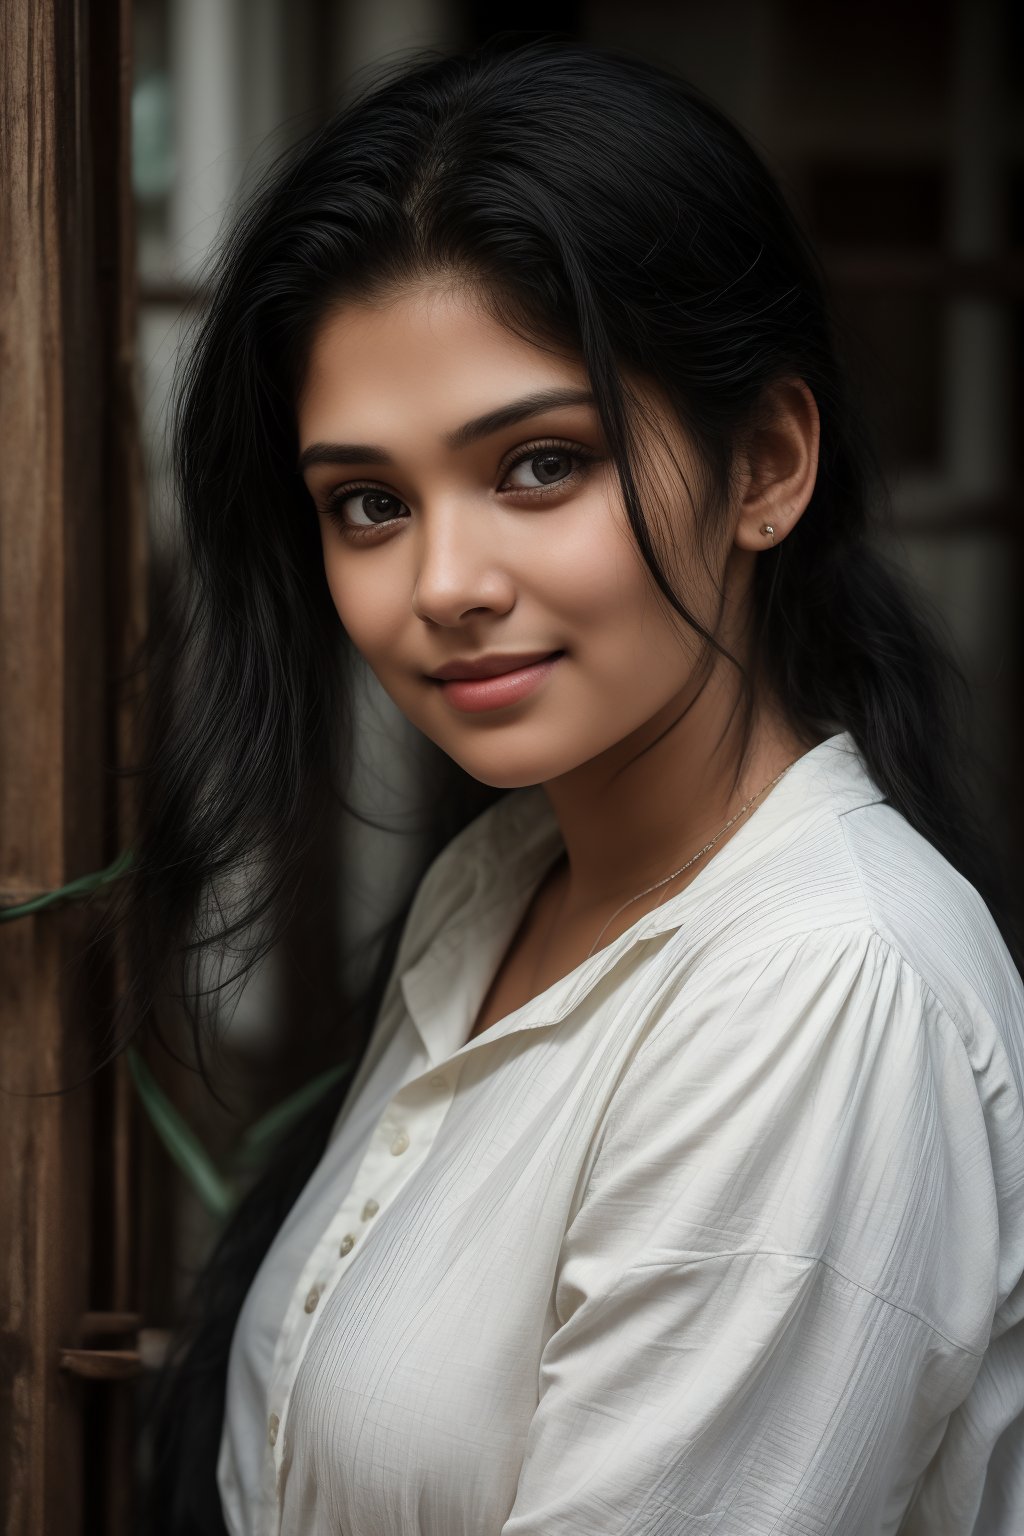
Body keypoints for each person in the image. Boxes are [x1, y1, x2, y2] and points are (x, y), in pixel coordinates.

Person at [132, 36, 1024, 1536]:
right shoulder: (504, 888)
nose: (445, 584)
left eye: (539, 465)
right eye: (367, 503)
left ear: (766, 467)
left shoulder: (821, 992)